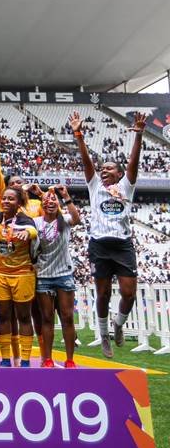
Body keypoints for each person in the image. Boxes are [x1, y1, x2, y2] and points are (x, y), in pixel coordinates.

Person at [70, 111, 146, 358]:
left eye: (109, 168)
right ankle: (103, 335)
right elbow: (86, 162)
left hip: (123, 246)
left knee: (129, 294)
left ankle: (118, 324)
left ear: (120, 173)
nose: (103, 171)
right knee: (102, 293)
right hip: (99, 245)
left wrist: (139, 135)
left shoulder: (126, 186)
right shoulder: (95, 187)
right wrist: (78, 134)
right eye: (102, 168)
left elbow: (134, 160)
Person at [0, 186, 39, 367]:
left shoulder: (24, 219)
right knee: (3, 316)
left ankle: (25, 360)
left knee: (24, 317)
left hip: (22, 274)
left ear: (19, 203)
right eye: (4, 198)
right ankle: (5, 359)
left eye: (11, 199)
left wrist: (27, 233)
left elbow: (33, 231)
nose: (6, 202)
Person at [34, 186, 81, 368]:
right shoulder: (36, 222)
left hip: (64, 274)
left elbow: (77, 218)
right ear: (42, 205)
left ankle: (70, 360)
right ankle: (48, 359)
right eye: (47, 201)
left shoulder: (65, 220)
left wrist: (66, 196)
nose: (50, 203)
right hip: (44, 275)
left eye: (54, 201)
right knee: (47, 318)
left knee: (67, 317)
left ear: (59, 205)